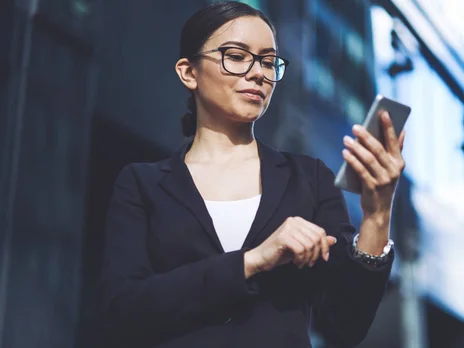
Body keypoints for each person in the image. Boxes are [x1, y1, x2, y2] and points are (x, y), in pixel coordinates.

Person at [101, 2, 406, 347]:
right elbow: (123, 310)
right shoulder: (143, 184)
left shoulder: (309, 179)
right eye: (236, 56)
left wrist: (377, 216)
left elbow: (344, 326)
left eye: (267, 61)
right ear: (189, 72)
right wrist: (253, 261)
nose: (258, 73)